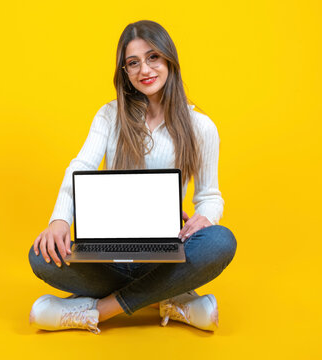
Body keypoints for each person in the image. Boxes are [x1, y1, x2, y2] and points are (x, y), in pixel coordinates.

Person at [28, 20, 237, 335]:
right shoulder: (110, 115)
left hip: (166, 254)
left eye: (153, 57)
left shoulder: (201, 126)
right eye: (133, 63)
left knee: (221, 241)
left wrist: (204, 218)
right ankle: (169, 300)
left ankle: (98, 311)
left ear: (169, 59)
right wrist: (59, 221)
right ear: (124, 72)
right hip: (109, 255)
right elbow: (81, 164)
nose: (145, 70)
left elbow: (209, 195)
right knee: (41, 256)